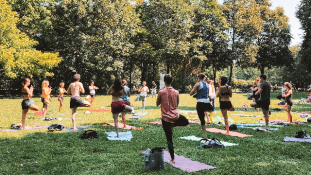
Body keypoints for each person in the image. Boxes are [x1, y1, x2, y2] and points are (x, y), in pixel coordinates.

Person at [156, 74, 189, 164]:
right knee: (186, 121)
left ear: (164, 81)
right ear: (172, 81)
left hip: (166, 117)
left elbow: (157, 103)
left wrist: (162, 103)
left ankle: (172, 159)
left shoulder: (161, 92)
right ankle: (173, 125)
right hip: (175, 115)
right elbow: (177, 104)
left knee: (169, 139)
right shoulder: (176, 92)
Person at [190, 73, 213, 139]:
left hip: (200, 102)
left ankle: (205, 136)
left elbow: (191, 93)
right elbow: (207, 93)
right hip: (207, 102)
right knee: (208, 110)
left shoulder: (198, 84)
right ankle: (208, 117)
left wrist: (195, 92)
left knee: (202, 120)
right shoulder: (207, 84)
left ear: (198, 78)